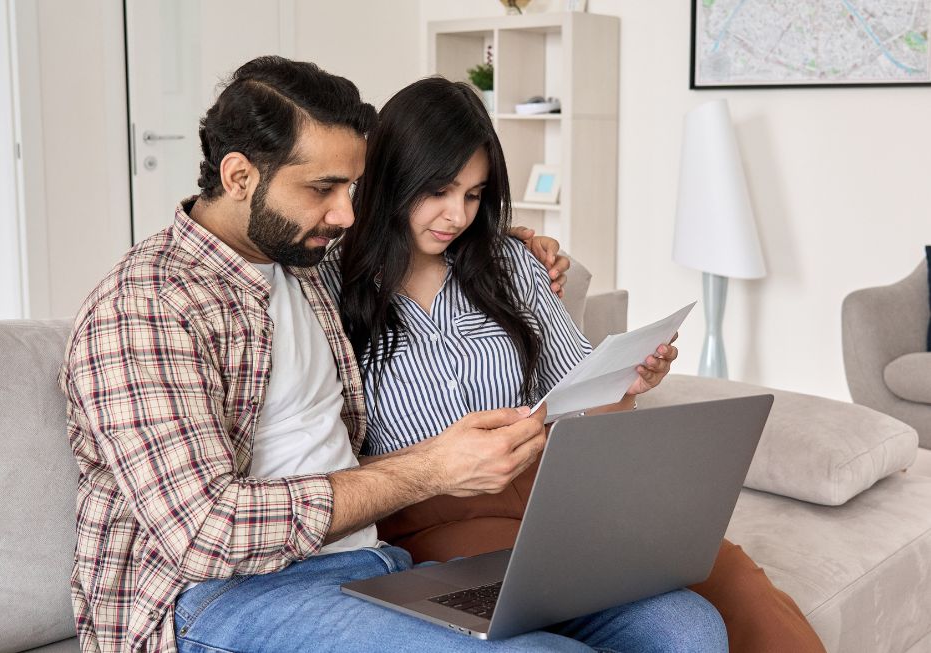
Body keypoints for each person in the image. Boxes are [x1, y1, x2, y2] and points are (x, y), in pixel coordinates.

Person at [59, 56, 728, 652]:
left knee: (682, 625)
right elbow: (205, 532)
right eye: (322, 189)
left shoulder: (303, 268)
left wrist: (513, 242)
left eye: (352, 188)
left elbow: (409, 240)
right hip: (224, 599)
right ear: (239, 176)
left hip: (371, 563)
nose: (348, 214)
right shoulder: (145, 306)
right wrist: (431, 469)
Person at [323, 76, 824, 653]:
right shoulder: (333, 286)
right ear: (393, 177)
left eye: (474, 193)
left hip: (553, 483)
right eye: (438, 190)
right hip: (434, 514)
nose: (456, 214)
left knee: (728, 570)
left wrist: (628, 379)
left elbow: (580, 390)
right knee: (654, 620)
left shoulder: (509, 263)